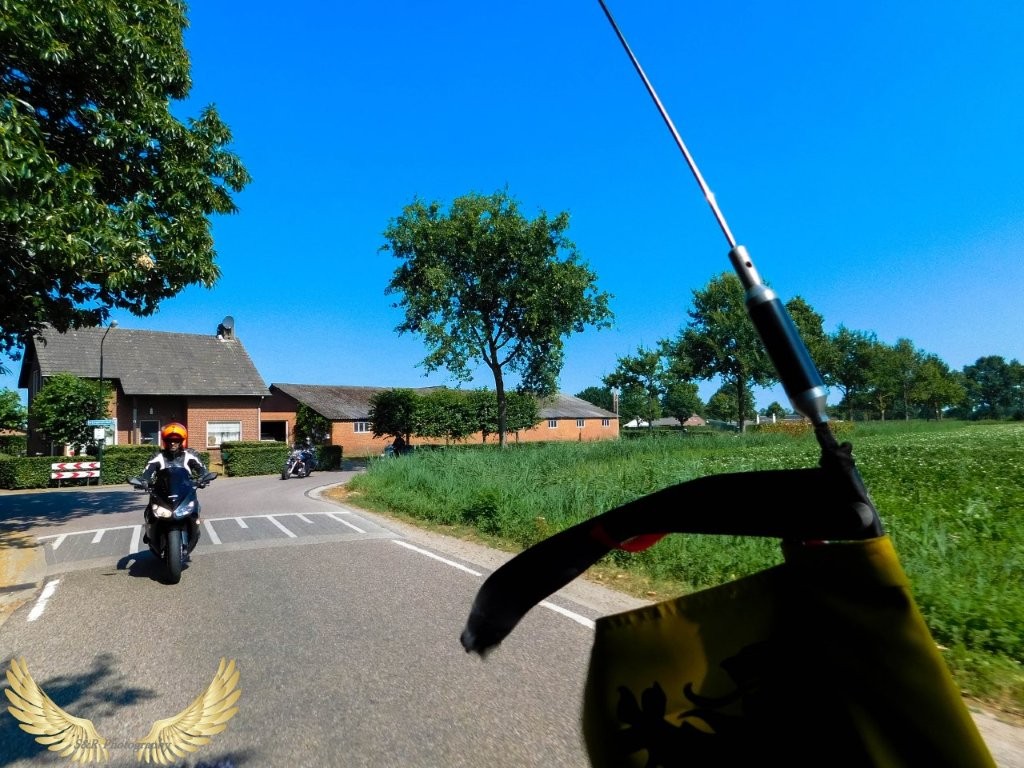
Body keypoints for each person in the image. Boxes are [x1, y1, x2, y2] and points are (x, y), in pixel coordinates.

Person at [140, 423, 207, 546]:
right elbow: (147, 471)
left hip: (184, 492)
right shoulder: (158, 456)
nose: (172, 443)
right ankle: (149, 531)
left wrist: (203, 477)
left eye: (176, 440)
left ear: (182, 441)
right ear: (165, 441)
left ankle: (195, 529)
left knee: (195, 508)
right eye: (169, 440)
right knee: (150, 511)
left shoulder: (190, 455)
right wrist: (144, 481)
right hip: (162, 492)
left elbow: (202, 468)